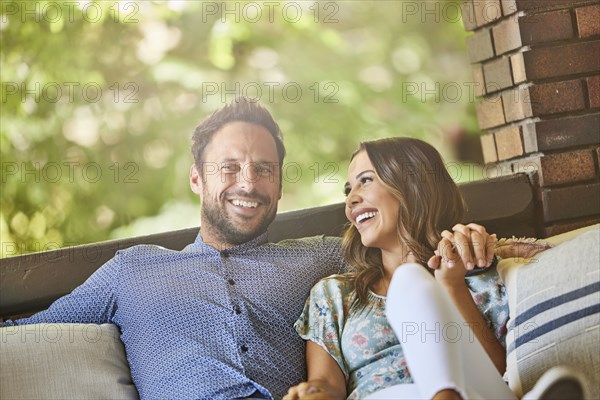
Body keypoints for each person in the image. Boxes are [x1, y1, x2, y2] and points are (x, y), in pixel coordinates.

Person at [1, 99, 499, 400]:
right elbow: (24, 334)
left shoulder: (322, 259)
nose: (249, 182)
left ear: (280, 185)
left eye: (265, 169)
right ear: (197, 177)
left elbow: (408, 250)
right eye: (229, 167)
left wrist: (480, 239)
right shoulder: (132, 271)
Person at [284, 137, 517, 400]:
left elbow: (502, 373)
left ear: (413, 184)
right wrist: (310, 394)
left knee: (409, 278)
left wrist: (452, 285)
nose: (350, 200)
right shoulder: (335, 295)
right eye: (348, 190)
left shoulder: (480, 275)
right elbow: (326, 384)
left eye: (366, 180)